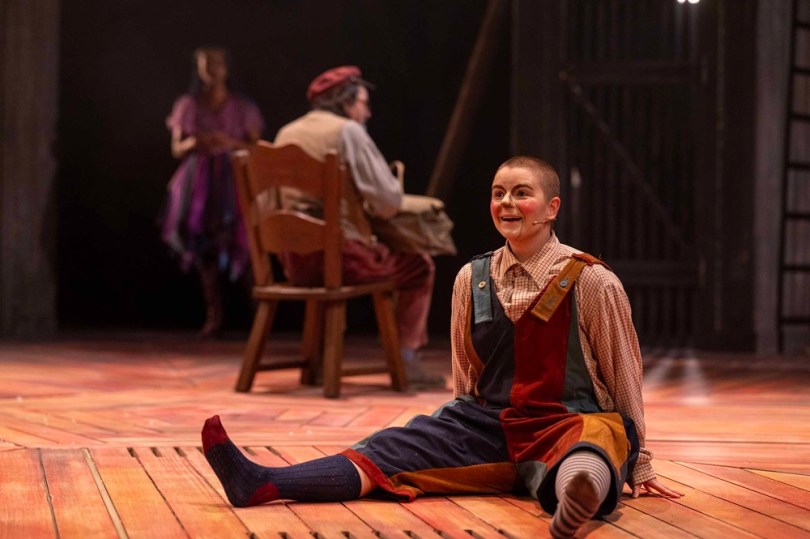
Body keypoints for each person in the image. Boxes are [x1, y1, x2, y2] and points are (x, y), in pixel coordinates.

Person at [200, 155, 684, 538]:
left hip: (568, 421)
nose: (507, 202)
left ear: (552, 208)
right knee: (390, 446)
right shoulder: (471, 279)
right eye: (498, 193)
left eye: (522, 193)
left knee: (597, 439)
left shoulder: (592, 281)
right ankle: (262, 482)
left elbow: (624, 374)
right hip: (489, 426)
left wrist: (639, 462)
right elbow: (467, 383)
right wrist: (450, 435)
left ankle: (575, 499)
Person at [273, 65, 442, 387]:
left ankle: (318, 359)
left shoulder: (286, 133)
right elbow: (388, 201)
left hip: (294, 262)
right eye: (363, 103)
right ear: (345, 102)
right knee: (419, 266)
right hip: (341, 259)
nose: (368, 111)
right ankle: (406, 359)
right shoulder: (347, 132)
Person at [160, 46, 265, 339]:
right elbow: (177, 148)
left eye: (216, 64)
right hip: (200, 182)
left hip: (234, 178)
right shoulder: (188, 104)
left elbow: (257, 148)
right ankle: (213, 314)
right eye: (205, 65)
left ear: (226, 67)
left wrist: (228, 142)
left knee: (243, 242)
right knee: (205, 246)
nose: (211, 70)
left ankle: (260, 315)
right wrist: (196, 142)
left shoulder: (242, 107)